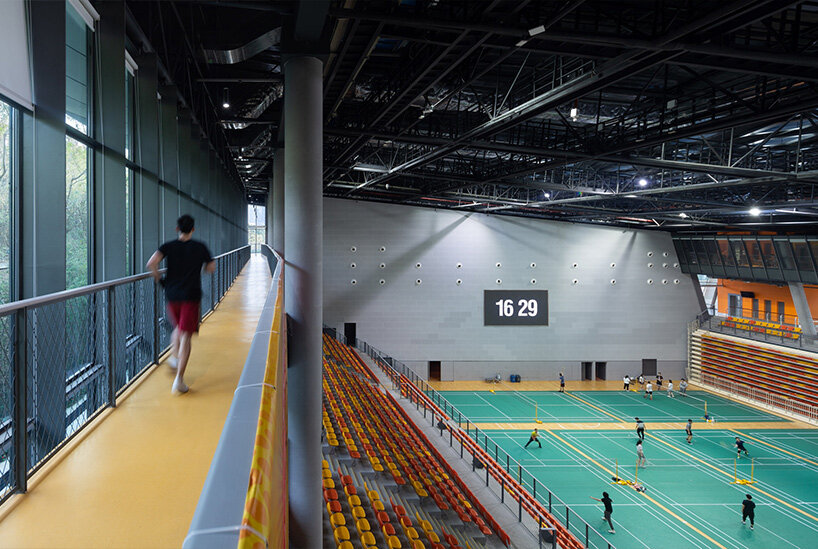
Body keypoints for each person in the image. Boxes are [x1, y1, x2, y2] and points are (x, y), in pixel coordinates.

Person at [147, 214, 215, 395]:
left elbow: (151, 263)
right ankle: (179, 379)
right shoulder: (200, 247)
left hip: (172, 294)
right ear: (193, 229)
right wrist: (202, 268)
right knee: (186, 334)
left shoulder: (168, 246)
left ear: (177, 229)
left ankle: (174, 357)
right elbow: (211, 267)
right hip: (190, 296)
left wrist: (160, 281)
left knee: (179, 327)